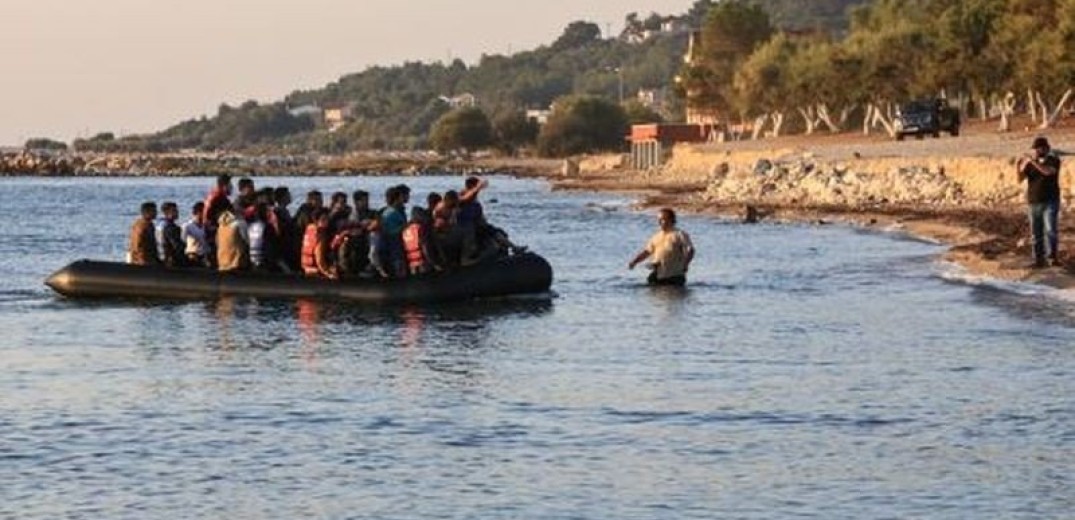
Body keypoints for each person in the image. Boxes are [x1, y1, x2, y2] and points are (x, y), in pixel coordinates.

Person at [1017, 136, 1063, 267]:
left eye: (1039, 149)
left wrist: (1033, 162)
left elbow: (1048, 172)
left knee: (1050, 230)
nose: (1037, 151)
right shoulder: (1031, 164)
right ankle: (1038, 259)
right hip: (1034, 201)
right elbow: (1020, 179)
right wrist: (1020, 165)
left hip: (1050, 201)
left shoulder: (1053, 160)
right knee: (1035, 233)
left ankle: (1052, 258)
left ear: (1046, 148)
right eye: (1035, 149)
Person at [628, 208, 695, 286]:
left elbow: (690, 250)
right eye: (658, 220)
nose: (659, 222)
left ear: (671, 220)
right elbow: (647, 252)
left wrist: (685, 264)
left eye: (662, 219)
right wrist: (634, 262)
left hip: (675, 275)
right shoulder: (656, 236)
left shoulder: (679, 234)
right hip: (658, 274)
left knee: (675, 295)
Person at [402, 207, 443, 276]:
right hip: (423, 264)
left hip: (411, 264)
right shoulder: (421, 228)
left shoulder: (405, 230)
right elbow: (425, 247)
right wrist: (434, 264)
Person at [301, 208, 337, 279]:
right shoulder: (320, 236)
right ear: (316, 221)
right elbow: (319, 259)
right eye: (323, 219)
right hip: (315, 270)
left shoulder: (310, 228)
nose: (327, 222)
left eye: (327, 219)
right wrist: (328, 274)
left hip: (306, 267)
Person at [216, 206, 250, 272]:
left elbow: (217, 242)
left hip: (221, 263)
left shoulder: (220, 226)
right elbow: (248, 242)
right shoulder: (241, 224)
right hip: (236, 264)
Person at [128, 201, 161, 266]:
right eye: (154, 211)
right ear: (147, 213)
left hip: (148, 259)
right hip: (144, 261)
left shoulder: (146, 224)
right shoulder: (142, 226)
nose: (156, 213)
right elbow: (137, 244)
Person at [155, 201, 185, 267]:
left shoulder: (158, 224)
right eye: (174, 210)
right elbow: (176, 246)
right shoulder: (170, 227)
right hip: (171, 259)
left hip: (160, 256)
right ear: (167, 213)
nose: (177, 212)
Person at [182, 201, 209, 267]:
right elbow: (183, 241)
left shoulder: (205, 226)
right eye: (204, 212)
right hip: (193, 255)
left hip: (204, 254)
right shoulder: (188, 226)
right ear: (197, 213)